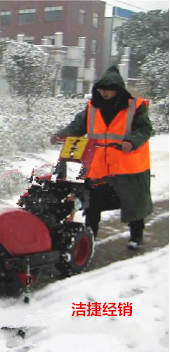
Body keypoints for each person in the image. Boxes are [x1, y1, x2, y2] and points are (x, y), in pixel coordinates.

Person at [50, 65, 154, 250]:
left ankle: (136, 236)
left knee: (133, 203)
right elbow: (77, 127)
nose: (104, 93)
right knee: (93, 203)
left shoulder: (136, 107)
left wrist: (131, 141)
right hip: (99, 165)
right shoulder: (92, 107)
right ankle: (90, 236)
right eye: (101, 89)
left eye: (109, 90)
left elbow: (145, 129)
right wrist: (60, 135)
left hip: (128, 165)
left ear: (118, 90)